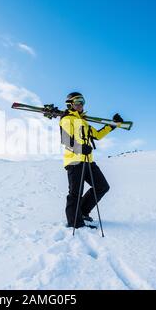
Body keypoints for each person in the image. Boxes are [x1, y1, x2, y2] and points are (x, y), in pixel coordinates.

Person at [59, 92, 123, 229]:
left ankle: (82, 212)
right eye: (77, 101)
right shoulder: (66, 119)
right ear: (70, 103)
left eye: (82, 101)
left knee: (102, 186)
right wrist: (81, 148)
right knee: (75, 193)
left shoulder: (83, 122)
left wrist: (112, 125)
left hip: (88, 161)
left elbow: (98, 135)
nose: (80, 104)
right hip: (74, 161)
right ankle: (74, 222)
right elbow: (66, 140)